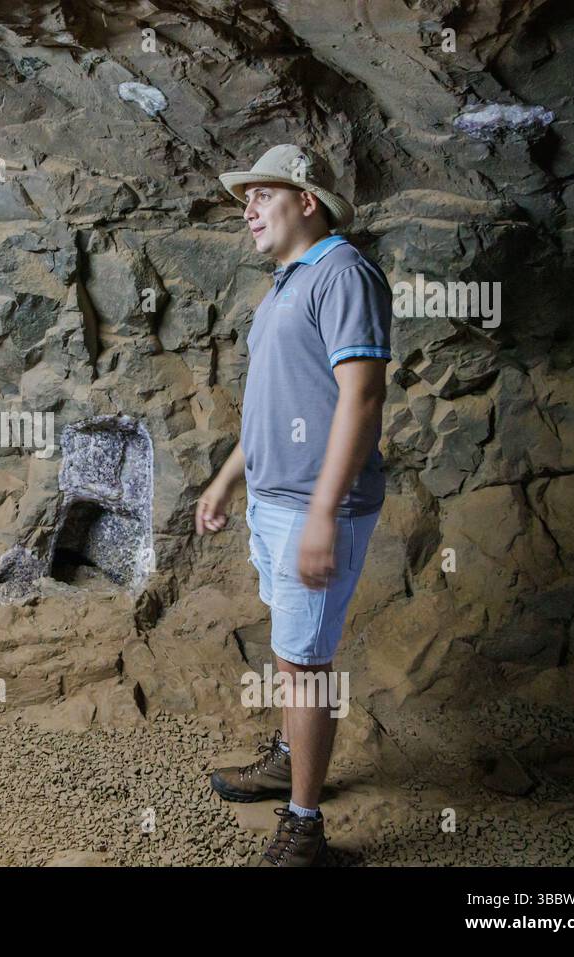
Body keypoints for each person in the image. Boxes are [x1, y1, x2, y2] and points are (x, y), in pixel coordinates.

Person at [196, 144, 391, 866]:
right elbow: (271, 407)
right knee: (291, 654)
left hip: (316, 504)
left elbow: (362, 397)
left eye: (263, 195)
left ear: (307, 201)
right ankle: (289, 758)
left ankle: (305, 828)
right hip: (276, 498)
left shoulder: (342, 273)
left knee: (306, 665)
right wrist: (227, 478)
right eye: (244, 199)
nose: (247, 210)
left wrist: (322, 513)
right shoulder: (285, 284)